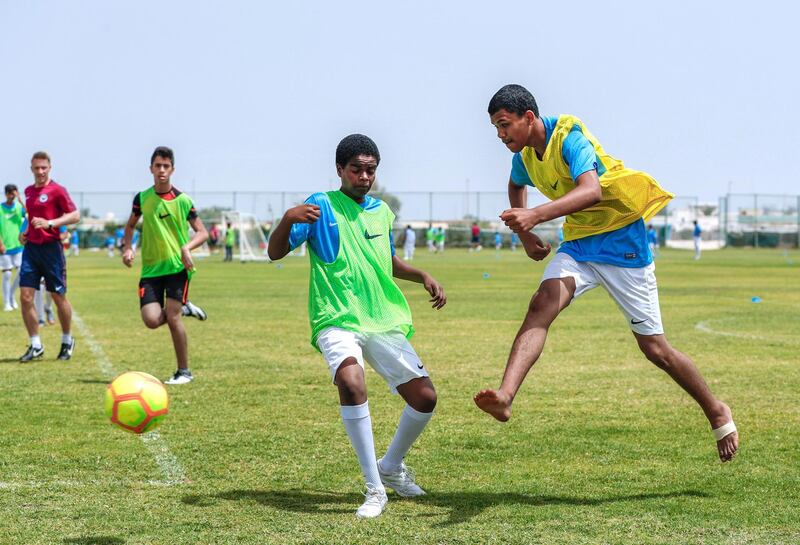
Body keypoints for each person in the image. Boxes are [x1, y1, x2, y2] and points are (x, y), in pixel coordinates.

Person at [474, 84, 738, 463]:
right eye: (496, 128)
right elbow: (516, 183)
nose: (501, 135)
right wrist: (526, 235)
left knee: (655, 349)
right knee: (541, 305)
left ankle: (716, 410)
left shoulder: (569, 138)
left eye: (504, 125)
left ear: (528, 118)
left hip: (622, 244)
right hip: (581, 245)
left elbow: (591, 191)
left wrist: (534, 216)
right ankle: (505, 397)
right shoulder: (526, 156)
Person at [268, 134, 447, 519]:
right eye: (357, 169)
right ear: (340, 170)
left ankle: (391, 467)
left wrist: (423, 275)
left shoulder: (382, 212)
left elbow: (387, 260)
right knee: (351, 383)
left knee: (425, 399)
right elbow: (274, 252)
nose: (364, 176)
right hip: (335, 315)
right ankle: (374, 489)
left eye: (371, 170)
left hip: (380, 317)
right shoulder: (319, 206)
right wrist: (286, 220)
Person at [121, 146, 209, 385]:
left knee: (172, 317)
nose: (161, 170)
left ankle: (184, 372)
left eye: (166, 166)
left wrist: (186, 248)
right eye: (158, 165)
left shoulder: (183, 200)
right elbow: (130, 226)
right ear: (151, 168)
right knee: (150, 320)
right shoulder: (142, 198)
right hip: (150, 270)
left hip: (177, 268)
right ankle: (184, 307)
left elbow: (202, 232)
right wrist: (128, 248)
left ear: (172, 169)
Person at [18, 151, 80, 362]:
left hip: (52, 250)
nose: (40, 171)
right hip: (31, 250)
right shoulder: (27, 191)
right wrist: (24, 231)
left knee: (57, 296)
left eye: (44, 167)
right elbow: (30, 217)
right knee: (26, 296)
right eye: (37, 168)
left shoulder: (57, 190)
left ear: (50, 168)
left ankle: (67, 339)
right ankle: (36, 344)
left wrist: (51, 223)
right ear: (31, 169)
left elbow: (75, 215)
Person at [0, 184, 26, 311]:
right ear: (6, 194)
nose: (12, 195)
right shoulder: (0, 208)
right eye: (10, 193)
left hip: (18, 246)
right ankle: (6, 303)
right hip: (4, 247)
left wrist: (20, 200)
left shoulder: (19, 207)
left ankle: (11, 295)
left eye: (14, 193)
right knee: (7, 274)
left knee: (22, 272)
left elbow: (30, 214)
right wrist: (0, 244)